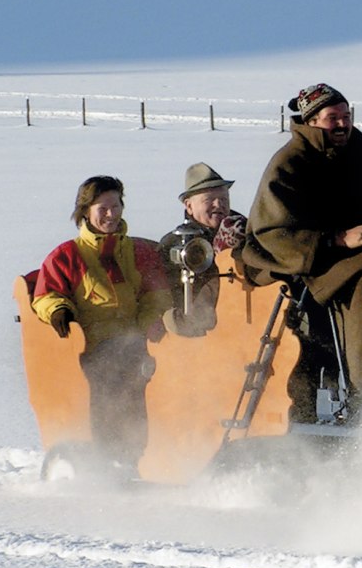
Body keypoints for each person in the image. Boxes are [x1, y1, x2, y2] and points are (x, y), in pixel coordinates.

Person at [241, 83, 362, 423]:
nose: (343, 124)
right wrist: (337, 240)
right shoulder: (288, 165)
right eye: (333, 117)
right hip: (311, 273)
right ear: (312, 120)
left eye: (346, 116)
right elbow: (271, 233)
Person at [31, 175, 172, 476]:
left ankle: (158, 456)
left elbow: (155, 296)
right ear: (85, 212)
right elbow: (47, 295)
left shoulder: (139, 252)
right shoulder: (67, 255)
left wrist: (151, 325)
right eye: (102, 208)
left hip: (136, 345)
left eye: (116, 205)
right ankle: (114, 457)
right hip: (92, 351)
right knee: (115, 379)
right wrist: (60, 311)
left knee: (165, 376)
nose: (111, 214)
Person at [158, 163, 247, 336]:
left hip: (247, 319)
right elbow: (166, 293)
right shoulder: (174, 242)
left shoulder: (244, 232)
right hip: (200, 332)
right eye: (209, 200)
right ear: (189, 205)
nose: (218, 205)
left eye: (223, 199)